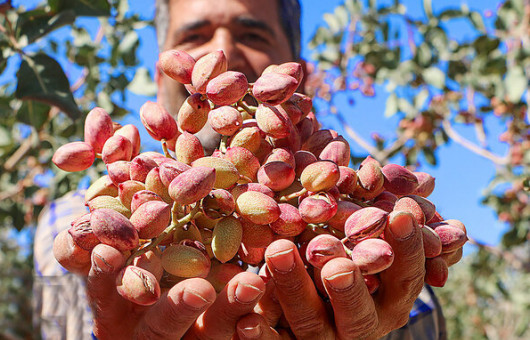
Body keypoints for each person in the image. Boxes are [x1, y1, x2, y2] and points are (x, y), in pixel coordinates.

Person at [35, 0, 451, 339]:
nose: (223, 53)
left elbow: (409, 301)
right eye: (193, 36)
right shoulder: (82, 214)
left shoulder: (359, 198)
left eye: (252, 34)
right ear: (162, 64)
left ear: (295, 74)